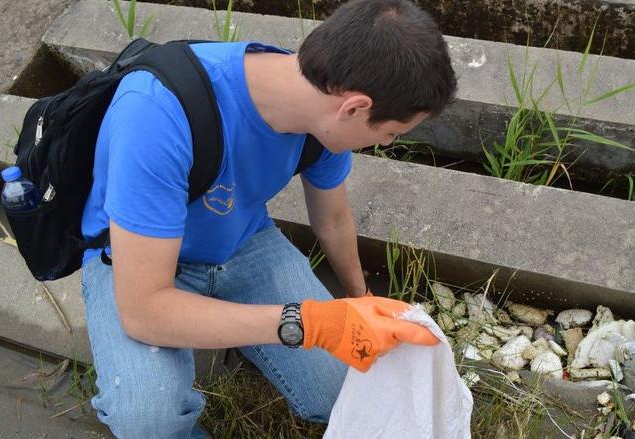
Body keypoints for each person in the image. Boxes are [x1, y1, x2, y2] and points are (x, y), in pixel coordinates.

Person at [79, 0, 457, 437]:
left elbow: (332, 218)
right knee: (147, 418)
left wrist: (358, 300)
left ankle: (238, 329)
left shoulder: (317, 113)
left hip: (241, 241)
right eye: (390, 133)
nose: (385, 143)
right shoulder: (157, 115)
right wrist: (308, 323)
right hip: (136, 265)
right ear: (353, 107)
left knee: (348, 387)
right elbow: (144, 312)